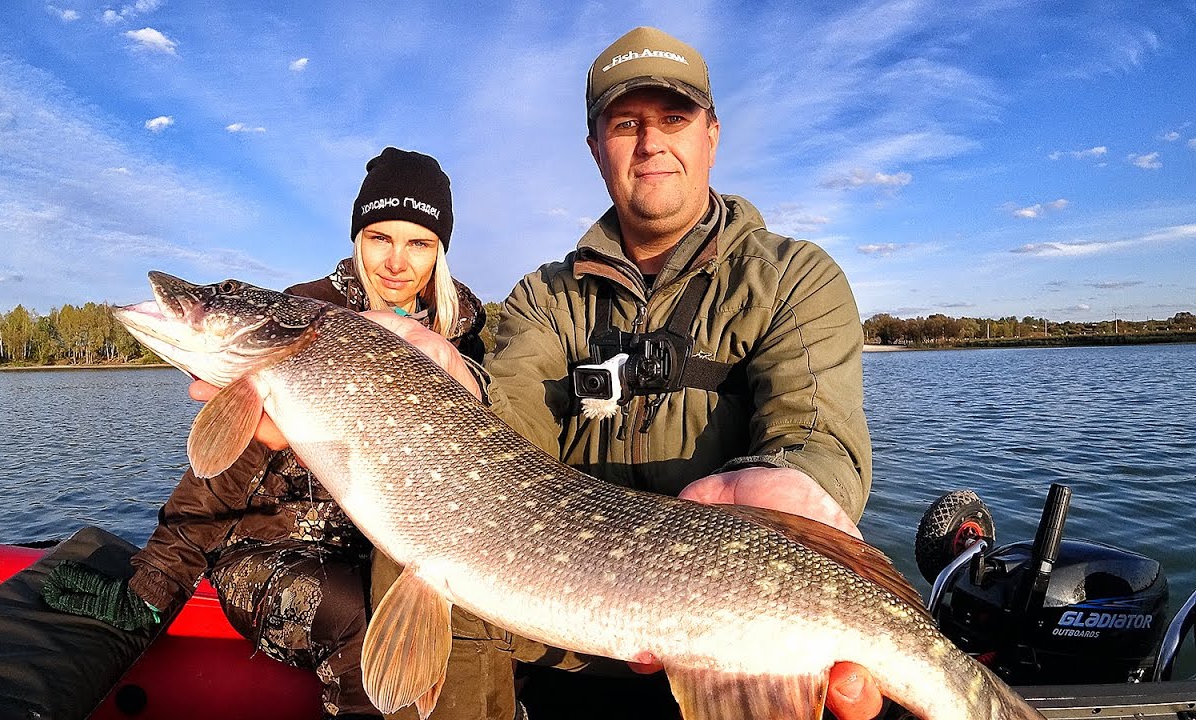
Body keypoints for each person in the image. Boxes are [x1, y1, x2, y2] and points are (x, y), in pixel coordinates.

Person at [210, 27, 880, 720]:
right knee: (420, 556)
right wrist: (447, 389)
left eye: (673, 119)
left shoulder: (796, 277)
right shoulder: (543, 297)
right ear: (596, 146)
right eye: (626, 124)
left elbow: (813, 430)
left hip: (732, 606)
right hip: (557, 625)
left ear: (711, 133)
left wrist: (797, 485)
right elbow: (510, 419)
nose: (651, 143)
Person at [43, 147, 486, 720]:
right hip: (267, 552)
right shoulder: (305, 317)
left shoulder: (460, 341)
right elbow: (216, 474)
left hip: (401, 557)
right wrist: (153, 586)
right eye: (380, 237)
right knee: (354, 614)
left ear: (441, 251)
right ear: (357, 238)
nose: (397, 262)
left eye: (419, 242)